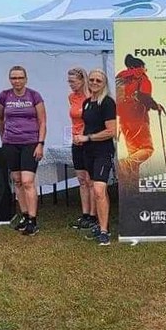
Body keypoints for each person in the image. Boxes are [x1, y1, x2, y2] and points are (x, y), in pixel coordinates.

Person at [0, 65, 47, 237]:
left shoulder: (34, 96)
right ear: (10, 79)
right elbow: (0, 118)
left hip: (30, 143)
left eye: (20, 77)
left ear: (26, 79)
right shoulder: (4, 96)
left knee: (27, 182)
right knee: (17, 180)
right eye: (14, 78)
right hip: (10, 143)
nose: (17, 81)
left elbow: (42, 121)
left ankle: (33, 220)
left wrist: (40, 143)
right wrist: (4, 137)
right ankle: (24, 215)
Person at [72, 69, 117, 246]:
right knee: (98, 190)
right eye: (92, 80)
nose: (94, 83)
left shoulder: (107, 102)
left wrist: (88, 138)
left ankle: (104, 232)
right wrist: (80, 137)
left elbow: (111, 131)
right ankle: (101, 224)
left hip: (103, 152)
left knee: (99, 189)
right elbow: (88, 126)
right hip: (87, 152)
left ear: (104, 83)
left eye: (98, 80)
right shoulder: (87, 103)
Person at [115, 54, 165, 185]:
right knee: (147, 149)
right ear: (140, 66)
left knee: (135, 153)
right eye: (143, 67)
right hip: (138, 118)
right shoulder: (142, 78)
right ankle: (124, 163)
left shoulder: (121, 78)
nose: (144, 69)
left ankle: (133, 186)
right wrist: (156, 106)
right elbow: (144, 97)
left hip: (123, 121)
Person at [67, 67, 96, 230]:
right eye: (69, 81)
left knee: (90, 180)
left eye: (73, 81)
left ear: (82, 80)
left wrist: (85, 134)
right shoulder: (71, 97)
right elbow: (74, 119)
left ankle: (93, 215)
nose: (71, 84)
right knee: (81, 180)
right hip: (76, 141)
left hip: (89, 141)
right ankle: (85, 214)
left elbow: (93, 121)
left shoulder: (91, 97)